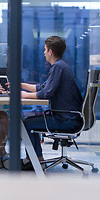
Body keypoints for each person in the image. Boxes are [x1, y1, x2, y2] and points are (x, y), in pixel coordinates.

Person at [20, 36, 83, 171]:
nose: (43, 52)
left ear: (50, 52)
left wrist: (24, 95)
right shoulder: (61, 66)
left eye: (45, 49)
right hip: (69, 116)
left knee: (27, 124)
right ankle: (37, 159)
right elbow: (43, 87)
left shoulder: (58, 67)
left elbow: (46, 93)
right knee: (30, 122)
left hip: (66, 119)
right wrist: (22, 85)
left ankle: (34, 160)